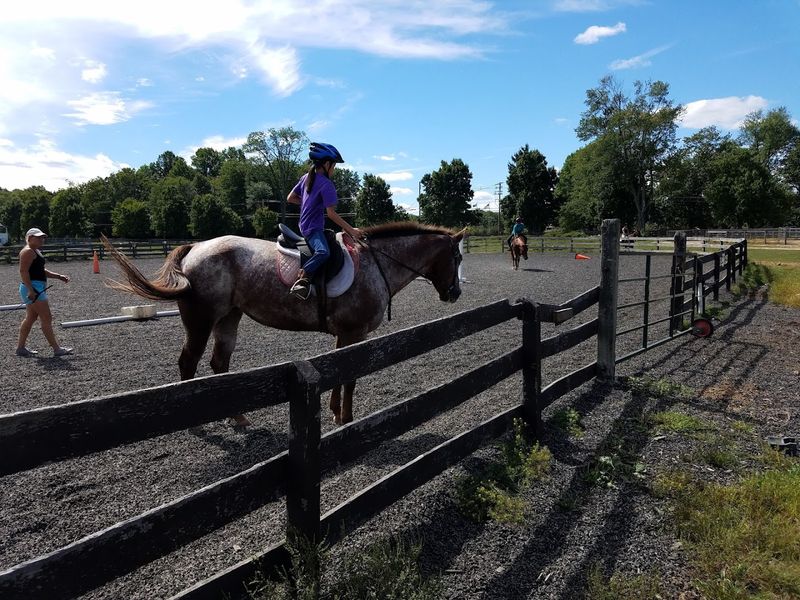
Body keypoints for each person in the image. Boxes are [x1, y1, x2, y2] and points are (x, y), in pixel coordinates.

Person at [286, 142, 364, 300]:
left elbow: (290, 198)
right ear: (327, 164)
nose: (334, 170)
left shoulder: (306, 177)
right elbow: (331, 214)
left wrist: (310, 203)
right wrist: (352, 231)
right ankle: (303, 276)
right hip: (312, 229)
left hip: (303, 226)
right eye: (334, 166)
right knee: (323, 252)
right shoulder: (327, 185)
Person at [17, 228, 73, 357]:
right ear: (30, 238)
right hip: (33, 288)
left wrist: (58, 276)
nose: (42, 239)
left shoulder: (34, 251)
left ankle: (20, 348)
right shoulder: (28, 252)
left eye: (43, 237)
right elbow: (23, 272)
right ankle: (57, 349)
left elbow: (41, 270)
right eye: (38, 237)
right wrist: (31, 290)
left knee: (31, 318)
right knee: (46, 317)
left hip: (34, 287)